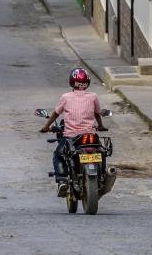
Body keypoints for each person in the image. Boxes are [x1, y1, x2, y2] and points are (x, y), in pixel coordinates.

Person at [39, 68, 107, 197]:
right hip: (90, 136)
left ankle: (62, 180)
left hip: (71, 137)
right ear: (87, 82)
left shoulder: (65, 97)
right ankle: (102, 175)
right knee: (101, 151)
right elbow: (97, 114)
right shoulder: (93, 96)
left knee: (58, 155)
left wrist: (46, 127)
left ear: (71, 82)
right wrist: (101, 126)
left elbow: (55, 114)